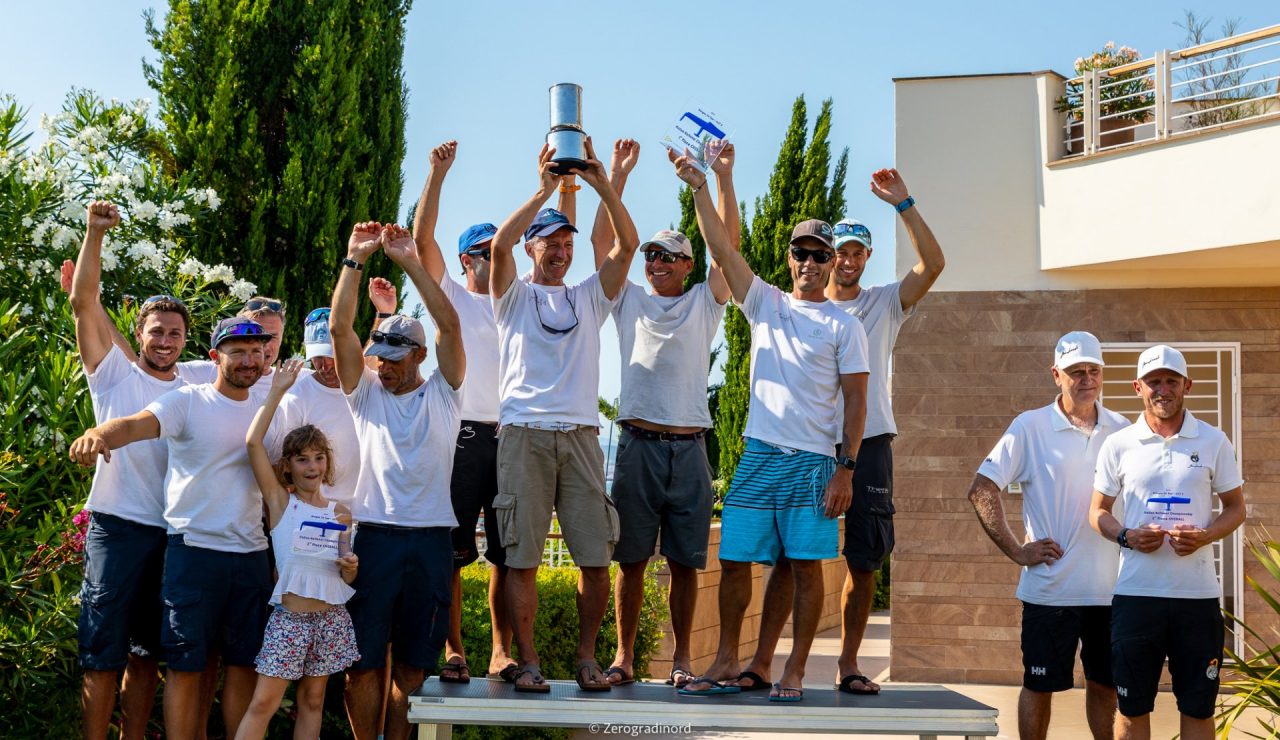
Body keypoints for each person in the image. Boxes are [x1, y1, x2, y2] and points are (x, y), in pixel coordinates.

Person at [671, 150, 870, 703]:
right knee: (734, 560)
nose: (810, 263)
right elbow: (720, 248)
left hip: (813, 463)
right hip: (759, 456)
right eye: (802, 253)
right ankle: (726, 660)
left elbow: (857, 403)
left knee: (806, 568)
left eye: (820, 255)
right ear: (789, 258)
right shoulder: (764, 302)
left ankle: (796, 668)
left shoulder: (843, 326)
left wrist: (845, 469)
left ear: (833, 263)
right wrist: (701, 186)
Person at [746, 167, 946, 696]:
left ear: (866, 257)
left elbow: (934, 264)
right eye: (843, 250)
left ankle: (849, 665)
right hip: (809, 446)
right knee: (790, 559)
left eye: (860, 251)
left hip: (870, 445)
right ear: (829, 255)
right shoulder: (801, 305)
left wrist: (904, 203)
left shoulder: (883, 303)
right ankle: (765, 662)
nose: (849, 260)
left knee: (863, 562)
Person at [69, 315, 282, 739]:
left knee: (242, 664)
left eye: (257, 352)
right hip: (194, 552)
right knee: (186, 665)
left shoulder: (271, 411)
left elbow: (286, 479)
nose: (248, 360)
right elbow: (133, 424)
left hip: (252, 555)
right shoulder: (187, 400)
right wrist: (99, 434)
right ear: (213, 356)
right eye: (238, 351)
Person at [489, 139, 640, 693]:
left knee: (596, 558)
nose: (560, 250)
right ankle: (528, 661)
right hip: (523, 434)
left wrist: (604, 183)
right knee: (523, 558)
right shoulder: (511, 296)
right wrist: (546, 189)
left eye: (566, 241)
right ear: (532, 249)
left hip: (579, 436)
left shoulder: (589, 295)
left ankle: (585, 658)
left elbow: (628, 245)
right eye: (549, 242)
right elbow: (500, 243)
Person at [586, 139, 737, 687]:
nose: (654, 263)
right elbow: (605, 245)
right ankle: (625, 658)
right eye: (650, 254)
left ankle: (680, 660)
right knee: (629, 561)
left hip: (691, 448)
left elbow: (729, 251)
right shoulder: (628, 297)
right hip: (636, 447)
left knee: (685, 563)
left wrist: (721, 179)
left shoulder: (704, 300)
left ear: (687, 264)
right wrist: (618, 177)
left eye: (666, 256)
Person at [330, 221, 464, 740]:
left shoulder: (444, 394)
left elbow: (449, 327)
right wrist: (354, 258)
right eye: (377, 358)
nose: (382, 368)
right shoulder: (364, 396)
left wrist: (410, 260)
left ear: (419, 356)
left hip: (431, 540)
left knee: (412, 667)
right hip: (375, 540)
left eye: (393, 358)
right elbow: (342, 330)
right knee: (360, 664)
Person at [967, 331, 1128, 740]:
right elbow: (982, 488)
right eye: (1076, 371)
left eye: (1093, 370)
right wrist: (1018, 551)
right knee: (1040, 686)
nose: (1086, 379)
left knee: (1105, 685)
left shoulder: (1124, 430)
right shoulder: (1030, 427)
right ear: (1057, 375)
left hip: (1112, 591)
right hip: (1050, 592)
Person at [69, 201, 189, 740]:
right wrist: (94, 234)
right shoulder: (113, 375)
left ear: (185, 341)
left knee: (146, 657)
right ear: (137, 334)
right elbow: (83, 301)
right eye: (156, 332)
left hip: (172, 534)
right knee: (101, 654)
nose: (164, 342)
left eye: (174, 334)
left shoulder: (196, 385)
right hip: (116, 528)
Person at [1089, 345, 1245, 740]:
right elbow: (1097, 512)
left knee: (1197, 708)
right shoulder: (1119, 444)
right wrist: (1126, 535)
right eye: (1154, 381)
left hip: (1197, 598)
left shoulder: (1213, 440)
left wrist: (1206, 535)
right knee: (1132, 707)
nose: (1163, 389)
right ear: (1137, 387)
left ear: (1187, 386)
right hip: (1136, 596)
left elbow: (1236, 508)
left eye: (1171, 381)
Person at [408, 140, 514, 683]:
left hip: (515, 436)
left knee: (508, 555)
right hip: (463, 437)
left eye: (503, 252)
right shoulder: (450, 295)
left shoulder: (523, 303)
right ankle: (455, 649)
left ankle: (501, 651)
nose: (497, 260)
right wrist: (436, 174)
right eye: (487, 253)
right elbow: (422, 239)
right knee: (451, 553)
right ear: (467, 259)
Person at [234, 359, 360, 740]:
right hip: (290, 621)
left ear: (327, 462)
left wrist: (351, 565)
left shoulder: (339, 512)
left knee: (314, 702)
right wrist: (277, 391)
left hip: (330, 619)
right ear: (287, 466)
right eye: (302, 459)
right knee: (263, 704)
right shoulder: (280, 502)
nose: (312, 466)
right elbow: (253, 442)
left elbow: (345, 573)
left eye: (319, 458)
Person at [276, 307, 362, 507]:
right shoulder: (296, 397)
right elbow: (283, 464)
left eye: (331, 354)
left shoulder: (371, 387)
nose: (326, 365)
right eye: (317, 356)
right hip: (316, 511)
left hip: (369, 513)